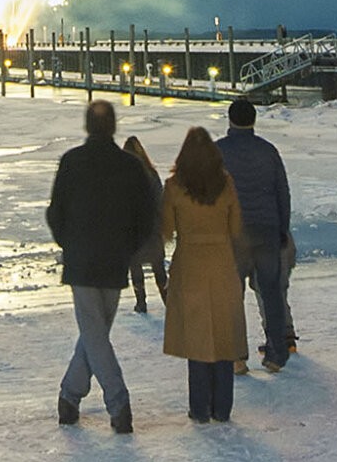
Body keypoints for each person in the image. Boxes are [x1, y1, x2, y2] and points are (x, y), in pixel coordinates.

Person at [46, 99, 155, 433]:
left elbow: (55, 212)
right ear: (113, 127)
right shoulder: (130, 166)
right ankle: (70, 396)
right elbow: (145, 216)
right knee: (96, 332)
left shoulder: (72, 161)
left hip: (81, 260)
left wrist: (69, 244)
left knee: (94, 333)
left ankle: (118, 402)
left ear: (87, 126)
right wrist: (128, 249)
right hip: (114, 261)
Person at [160, 127, 247, 423]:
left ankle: (199, 409)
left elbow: (166, 230)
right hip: (222, 263)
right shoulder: (227, 184)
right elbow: (236, 228)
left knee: (197, 340)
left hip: (190, 265)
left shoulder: (173, 186)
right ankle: (222, 408)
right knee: (224, 338)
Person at [218, 98, 292, 372]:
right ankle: (276, 353)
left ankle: (237, 357)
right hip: (267, 229)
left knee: (232, 295)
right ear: (254, 120)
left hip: (233, 234)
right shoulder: (268, 151)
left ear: (230, 120)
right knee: (271, 292)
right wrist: (282, 229)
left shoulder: (219, 152)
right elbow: (282, 193)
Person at [123, 135, 168, 312]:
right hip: (153, 228)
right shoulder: (151, 173)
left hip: (133, 230)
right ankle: (167, 299)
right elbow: (160, 199)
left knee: (135, 267)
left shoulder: (122, 176)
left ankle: (141, 302)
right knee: (159, 268)